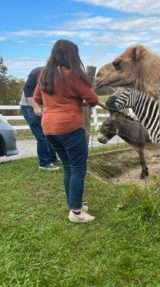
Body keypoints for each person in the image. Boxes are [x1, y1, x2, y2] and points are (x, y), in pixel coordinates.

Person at [34, 39, 99, 223]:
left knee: (68, 166)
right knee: (78, 168)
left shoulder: (44, 75)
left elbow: (38, 98)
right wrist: (81, 102)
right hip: (69, 126)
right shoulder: (72, 75)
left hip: (49, 127)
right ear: (72, 55)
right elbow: (92, 98)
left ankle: (74, 204)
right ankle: (77, 212)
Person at [20, 67, 59, 170]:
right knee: (41, 135)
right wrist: (35, 107)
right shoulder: (37, 72)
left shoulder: (58, 75)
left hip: (43, 106)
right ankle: (44, 163)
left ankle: (53, 159)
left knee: (49, 133)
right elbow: (27, 90)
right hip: (29, 106)